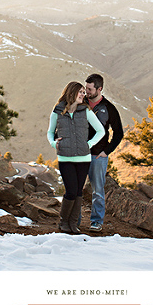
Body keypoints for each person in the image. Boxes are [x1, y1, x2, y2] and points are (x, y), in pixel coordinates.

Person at [47, 81, 105, 234]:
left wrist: (89, 144)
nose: (83, 95)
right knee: (71, 191)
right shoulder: (58, 111)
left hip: (84, 159)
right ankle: (63, 222)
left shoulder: (85, 111)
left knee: (78, 191)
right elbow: (50, 132)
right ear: (71, 92)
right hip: (65, 159)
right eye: (80, 92)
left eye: (83, 92)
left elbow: (101, 131)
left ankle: (73, 224)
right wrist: (54, 143)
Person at [84, 73, 124, 232]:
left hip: (98, 156)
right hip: (80, 154)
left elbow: (119, 133)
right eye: (85, 88)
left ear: (99, 89)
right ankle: (74, 221)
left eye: (89, 89)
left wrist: (106, 151)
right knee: (75, 188)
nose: (86, 91)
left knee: (98, 190)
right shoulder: (81, 103)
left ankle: (96, 222)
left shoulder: (109, 108)